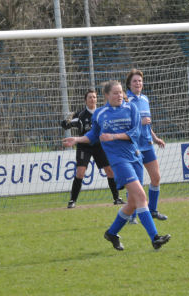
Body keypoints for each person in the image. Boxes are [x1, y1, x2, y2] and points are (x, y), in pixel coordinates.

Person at [62, 80, 171, 250]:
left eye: (121, 92)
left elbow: (134, 133)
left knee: (134, 203)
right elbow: (92, 136)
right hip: (118, 161)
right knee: (141, 197)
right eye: (115, 93)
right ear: (106, 95)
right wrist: (77, 139)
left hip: (135, 157)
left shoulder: (131, 109)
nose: (119, 95)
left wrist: (114, 136)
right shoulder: (99, 113)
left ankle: (112, 233)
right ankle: (155, 238)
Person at [61, 88, 124, 208]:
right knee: (80, 172)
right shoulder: (80, 115)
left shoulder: (101, 113)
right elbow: (67, 124)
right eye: (90, 97)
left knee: (109, 170)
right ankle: (72, 200)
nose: (92, 99)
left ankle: (116, 198)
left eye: (94, 97)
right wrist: (65, 123)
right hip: (84, 146)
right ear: (85, 100)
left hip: (99, 145)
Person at [125, 69, 167, 221]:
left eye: (140, 81)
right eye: (135, 81)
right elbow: (123, 124)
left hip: (147, 145)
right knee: (136, 183)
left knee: (156, 177)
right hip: (133, 146)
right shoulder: (125, 101)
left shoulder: (145, 99)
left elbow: (147, 124)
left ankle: (153, 210)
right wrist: (139, 122)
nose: (138, 83)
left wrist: (155, 138)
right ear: (129, 84)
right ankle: (132, 215)